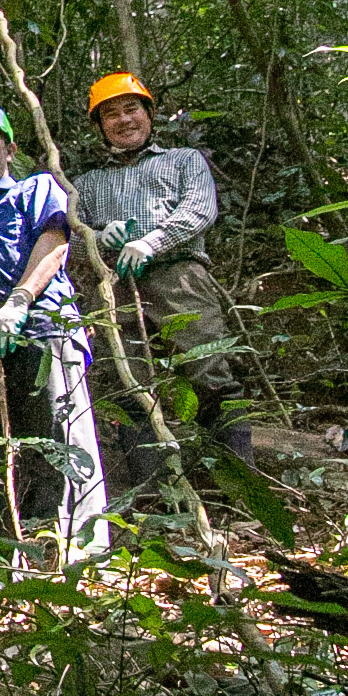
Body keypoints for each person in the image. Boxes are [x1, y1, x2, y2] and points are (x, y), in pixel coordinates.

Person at [0, 101, 108, 561]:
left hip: (41, 331)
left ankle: (77, 556)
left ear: (10, 148)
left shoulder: (36, 190)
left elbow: (55, 241)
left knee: (60, 440)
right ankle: (2, 563)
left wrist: (20, 299)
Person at [75, 70, 254, 482]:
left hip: (180, 278)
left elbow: (199, 210)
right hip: (115, 287)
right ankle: (153, 496)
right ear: (99, 126)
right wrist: (99, 237)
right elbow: (70, 238)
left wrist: (152, 241)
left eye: (131, 109)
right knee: (132, 386)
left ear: (149, 114)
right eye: (111, 114)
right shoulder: (85, 183)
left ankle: (240, 489)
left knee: (211, 375)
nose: (123, 120)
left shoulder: (183, 161)